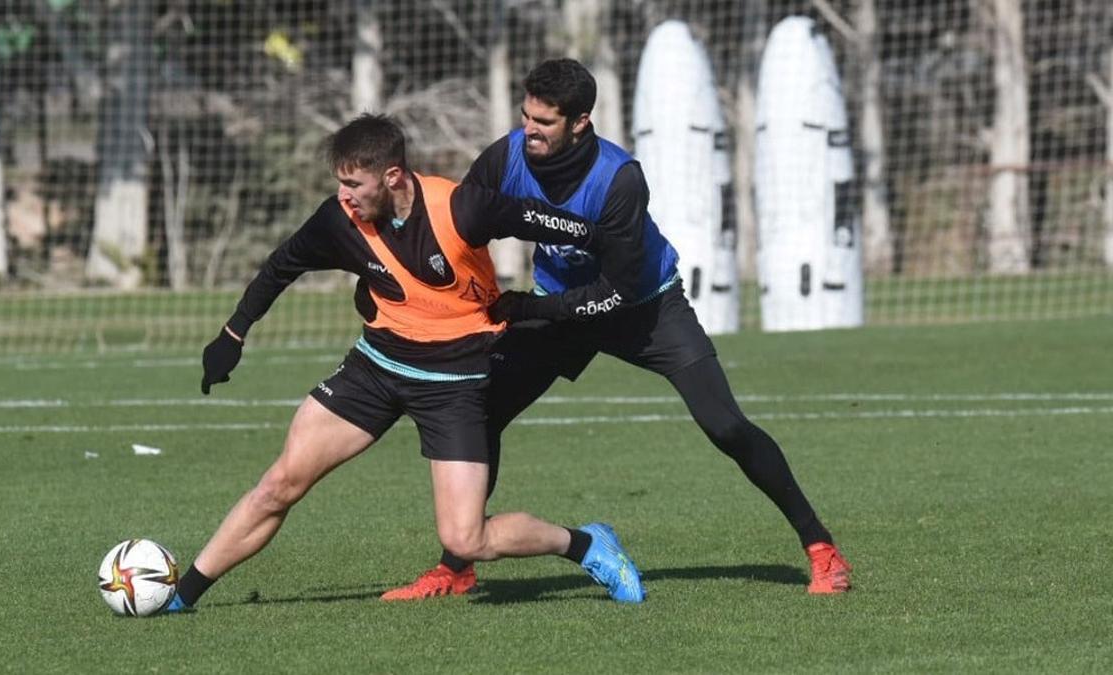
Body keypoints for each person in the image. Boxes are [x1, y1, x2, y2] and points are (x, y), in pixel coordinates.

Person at [381, 59, 851, 601]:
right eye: (526, 115)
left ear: (580, 121)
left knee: (725, 425)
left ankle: (820, 546)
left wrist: (531, 309)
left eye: (544, 121)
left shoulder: (619, 178)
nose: (529, 129)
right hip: (557, 306)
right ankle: (457, 566)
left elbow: (619, 291)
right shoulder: (506, 157)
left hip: (645, 310)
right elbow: (461, 226)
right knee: (481, 413)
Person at [165, 113, 646, 612]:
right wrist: (232, 334)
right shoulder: (338, 220)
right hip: (372, 370)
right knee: (279, 485)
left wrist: (618, 248)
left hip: (453, 384)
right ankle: (181, 595)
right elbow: (280, 266)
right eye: (340, 183)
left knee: (466, 539)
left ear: (392, 176)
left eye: (354, 184)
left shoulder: (462, 208)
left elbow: (555, 223)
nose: (344, 195)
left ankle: (586, 544)